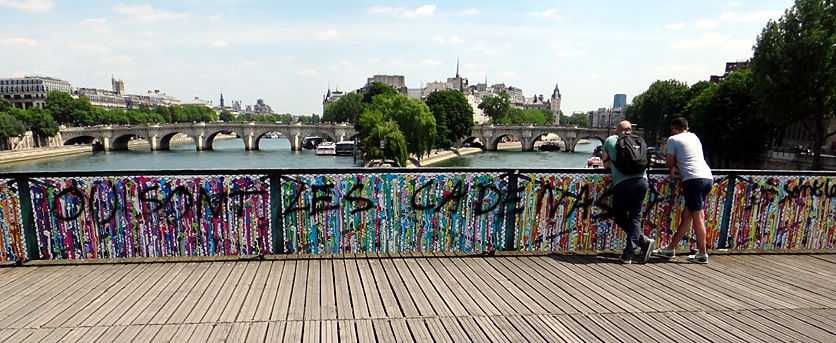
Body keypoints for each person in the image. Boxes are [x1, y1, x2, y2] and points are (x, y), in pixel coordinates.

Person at [652, 117, 713, 264]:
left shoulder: (673, 139)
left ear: (674, 129)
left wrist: (673, 166)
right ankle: (671, 248)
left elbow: (669, 161)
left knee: (698, 216)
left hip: (692, 179)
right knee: (688, 215)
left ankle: (703, 254)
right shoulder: (695, 137)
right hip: (707, 178)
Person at [602, 120, 655, 264]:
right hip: (642, 181)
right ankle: (629, 254)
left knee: (619, 216)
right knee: (635, 219)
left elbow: (605, 164)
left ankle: (642, 242)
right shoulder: (639, 140)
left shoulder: (611, 140)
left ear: (617, 130)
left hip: (623, 183)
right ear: (630, 130)